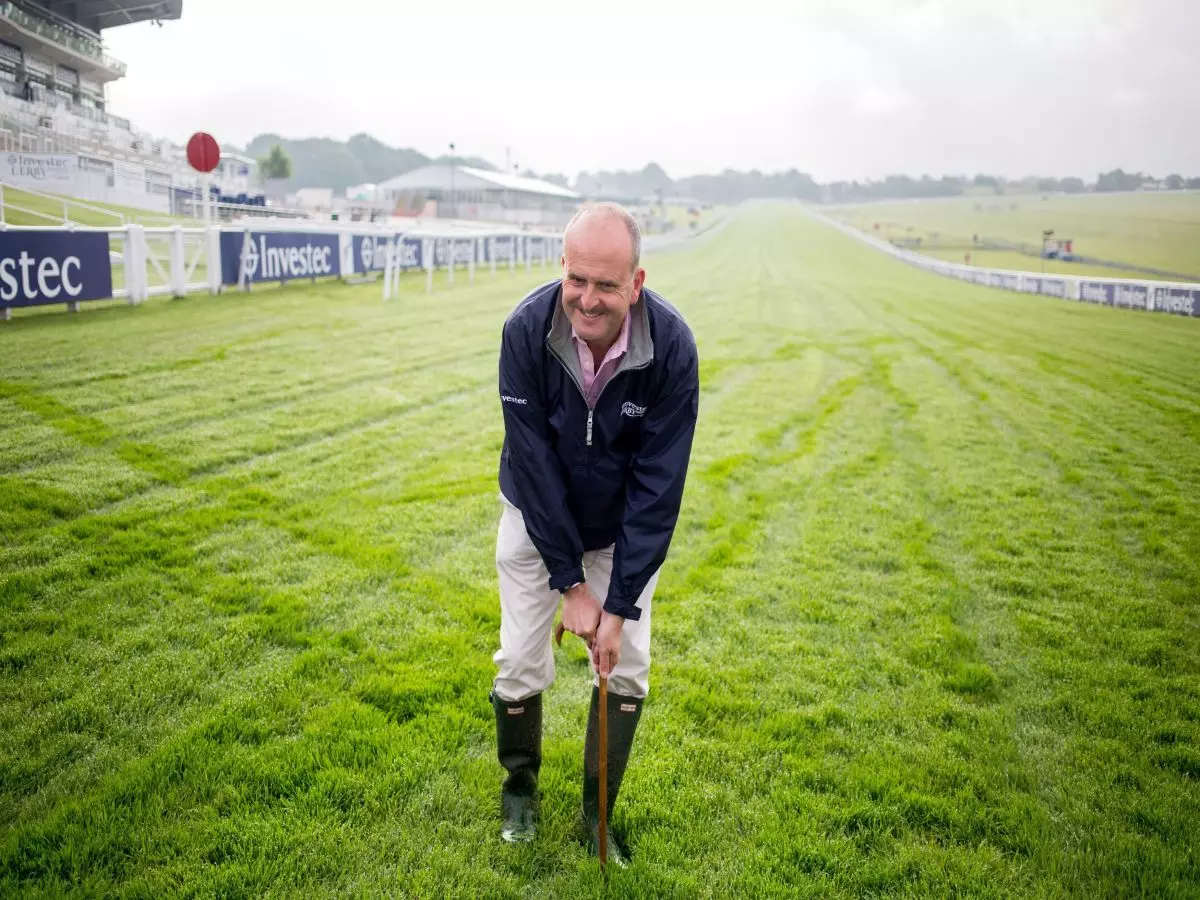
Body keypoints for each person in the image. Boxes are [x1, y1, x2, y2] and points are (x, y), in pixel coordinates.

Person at [489, 202, 699, 865]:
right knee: (521, 657)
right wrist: (570, 587)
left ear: (636, 283)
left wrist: (618, 605)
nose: (588, 298)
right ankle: (520, 787)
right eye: (577, 279)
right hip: (533, 514)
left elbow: (657, 491)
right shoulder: (525, 330)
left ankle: (595, 815)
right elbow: (536, 466)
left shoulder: (671, 347)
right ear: (563, 269)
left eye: (606, 285)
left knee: (626, 664)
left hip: (617, 529)